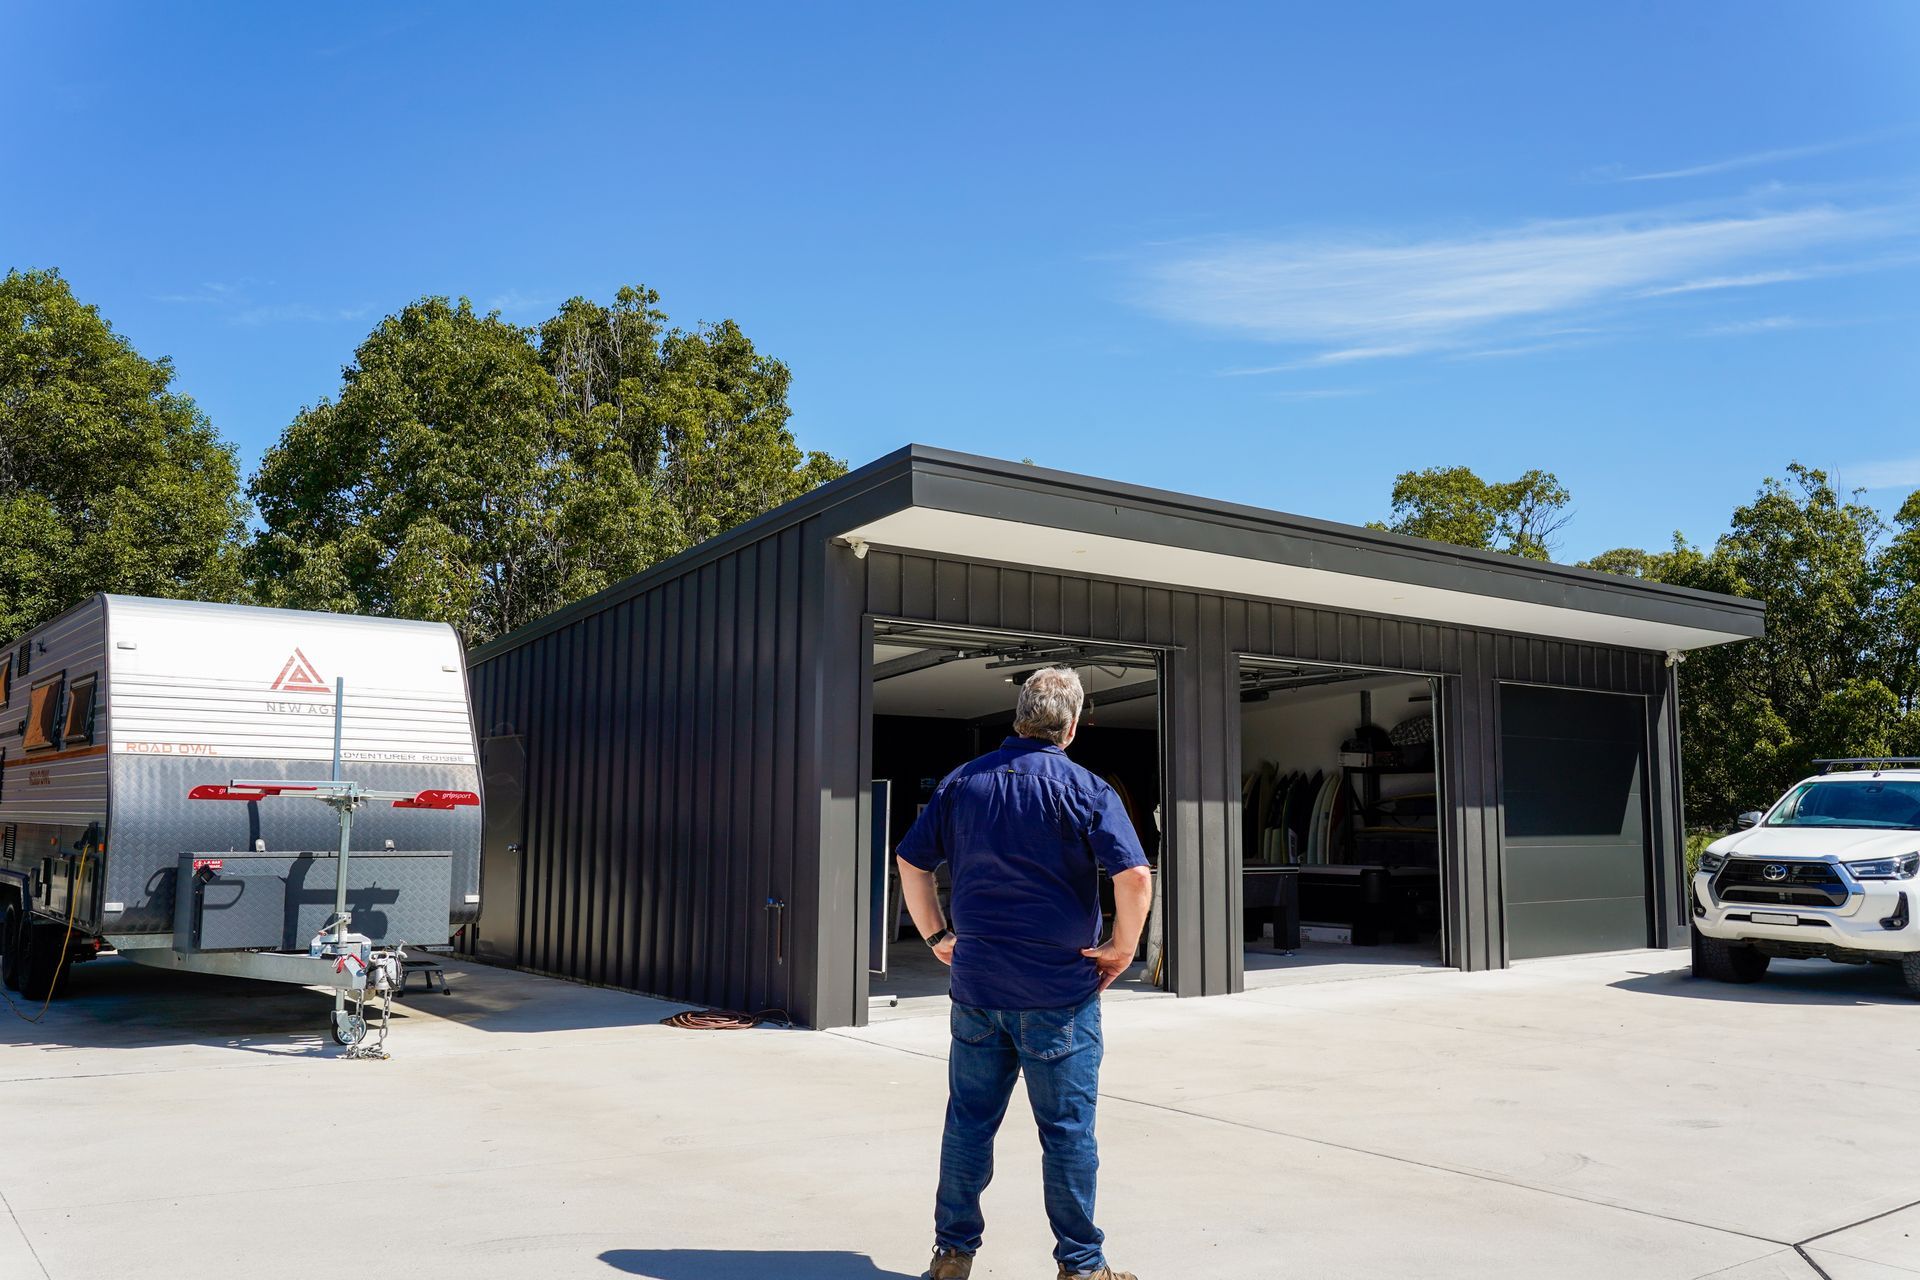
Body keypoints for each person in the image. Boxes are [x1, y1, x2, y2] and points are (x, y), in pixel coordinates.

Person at [896, 666, 1153, 1280]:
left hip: (979, 988)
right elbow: (1136, 877)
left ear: (1019, 717)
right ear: (1070, 726)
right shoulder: (1088, 789)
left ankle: (952, 1256)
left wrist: (936, 935)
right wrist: (1121, 949)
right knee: (1065, 1132)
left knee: (968, 1123)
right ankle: (1082, 1267)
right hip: (1058, 993)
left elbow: (911, 861)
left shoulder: (963, 783)